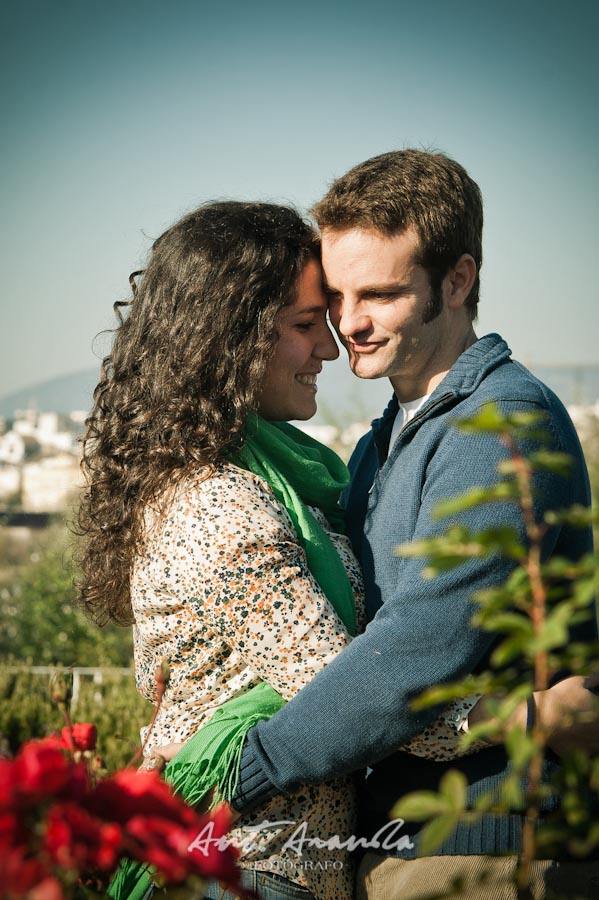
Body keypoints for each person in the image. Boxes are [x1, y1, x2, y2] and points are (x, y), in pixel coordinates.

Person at [76, 199, 484, 900]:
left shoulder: (264, 478)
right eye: (304, 326)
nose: (329, 347)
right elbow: (347, 697)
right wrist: (524, 720)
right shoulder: (222, 505)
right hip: (248, 863)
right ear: (230, 340)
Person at [220, 152, 599, 899]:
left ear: (455, 282)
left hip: (486, 845)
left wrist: (248, 767)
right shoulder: (386, 439)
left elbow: (419, 646)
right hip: (408, 839)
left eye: (381, 294)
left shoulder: (499, 426)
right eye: (336, 294)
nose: (349, 322)